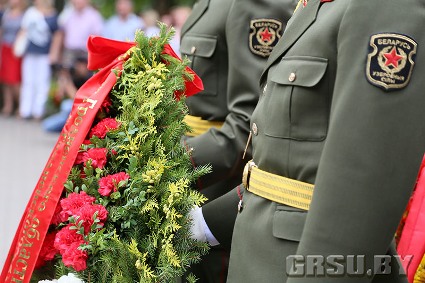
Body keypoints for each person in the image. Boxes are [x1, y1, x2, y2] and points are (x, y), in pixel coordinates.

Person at [191, 0, 425, 282]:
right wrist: (205, 225)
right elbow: (285, 165)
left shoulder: (381, 7)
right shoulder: (317, 6)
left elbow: (363, 185)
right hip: (260, 256)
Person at [180, 0, 296, 281]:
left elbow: (250, 122)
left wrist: (173, 161)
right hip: (190, 180)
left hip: (215, 188)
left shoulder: (255, 4)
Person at [18, 0, 59, 120]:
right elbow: (23, 30)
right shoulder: (31, 13)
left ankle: (38, 111)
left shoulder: (52, 14)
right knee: (28, 81)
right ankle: (25, 111)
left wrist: (53, 53)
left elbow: (57, 35)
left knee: (42, 82)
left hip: (44, 53)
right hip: (30, 52)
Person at [42, 55, 91, 132]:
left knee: (67, 106)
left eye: (81, 65)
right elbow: (58, 99)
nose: (79, 68)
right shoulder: (73, 77)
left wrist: (68, 85)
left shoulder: (89, 78)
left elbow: (78, 99)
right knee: (46, 125)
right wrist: (62, 83)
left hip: (83, 111)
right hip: (69, 114)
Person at [0, 0, 26, 116]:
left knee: (15, 79)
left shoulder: (24, 15)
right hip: (5, 47)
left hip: (15, 49)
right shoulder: (6, 13)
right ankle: (8, 105)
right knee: (5, 79)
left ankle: (21, 106)